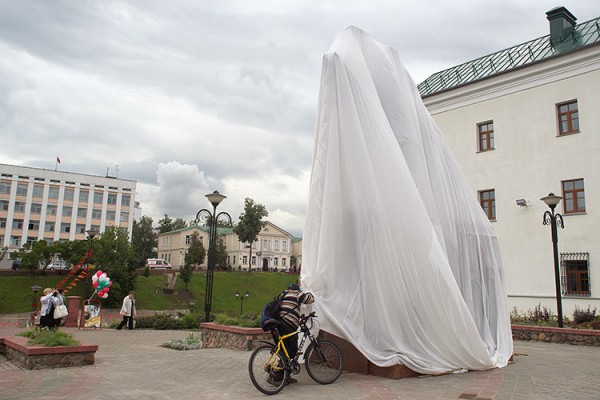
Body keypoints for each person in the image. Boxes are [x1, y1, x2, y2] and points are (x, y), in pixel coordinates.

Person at [272, 282, 314, 384]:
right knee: (292, 352)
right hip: (287, 326)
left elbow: (289, 311)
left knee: (284, 352)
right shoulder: (297, 294)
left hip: (277, 325)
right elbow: (310, 299)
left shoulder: (284, 294)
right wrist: (309, 291)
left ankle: (284, 377)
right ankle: (277, 377)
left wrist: (299, 319)